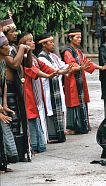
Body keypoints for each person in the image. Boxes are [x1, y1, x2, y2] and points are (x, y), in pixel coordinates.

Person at [62, 28, 106, 135]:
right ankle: (72, 127)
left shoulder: (78, 51)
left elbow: (87, 64)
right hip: (71, 81)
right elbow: (71, 65)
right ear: (70, 38)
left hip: (79, 80)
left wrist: (101, 67)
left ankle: (82, 125)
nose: (79, 39)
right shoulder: (67, 51)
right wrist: (80, 67)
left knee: (81, 101)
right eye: (77, 37)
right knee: (73, 102)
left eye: (80, 37)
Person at [19, 32, 61, 153]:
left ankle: (39, 145)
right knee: (31, 117)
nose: (33, 43)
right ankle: (34, 145)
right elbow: (33, 70)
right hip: (27, 91)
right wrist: (48, 75)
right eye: (30, 41)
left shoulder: (34, 57)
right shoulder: (23, 58)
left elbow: (45, 68)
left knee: (35, 116)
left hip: (34, 91)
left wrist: (60, 72)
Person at [0, 18, 32, 163]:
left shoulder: (13, 48)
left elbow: (28, 64)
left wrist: (29, 51)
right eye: (11, 31)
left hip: (16, 88)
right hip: (8, 88)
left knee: (19, 121)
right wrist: (21, 49)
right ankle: (11, 154)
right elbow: (14, 64)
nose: (15, 34)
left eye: (15, 31)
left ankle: (20, 152)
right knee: (11, 121)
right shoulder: (5, 50)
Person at [36, 33, 71, 142]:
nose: (52, 44)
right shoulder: (41, 58)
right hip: (48, 88)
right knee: (51, 110)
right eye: (50, 42)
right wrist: (64, 70)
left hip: (57, 87)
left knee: (59, 108)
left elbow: (62, 65)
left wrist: (71, 66)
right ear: (43, 44)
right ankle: (53, 135)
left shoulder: (53, 56)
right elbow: (52, 70)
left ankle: (60, 133)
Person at [0, 30, 16, 172]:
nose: (9, 47)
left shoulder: (3, 63)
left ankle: (3, 164)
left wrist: (4, 104)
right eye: (5, 45)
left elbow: (4, 84)